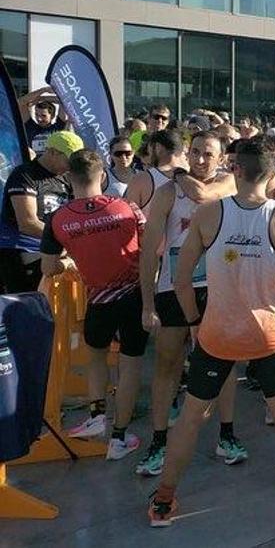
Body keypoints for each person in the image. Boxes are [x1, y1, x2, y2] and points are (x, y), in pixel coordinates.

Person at [148, 138, 275, 527]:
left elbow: (182, 277)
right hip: (269, 332)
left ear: (235, 170)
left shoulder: (208, 214)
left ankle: (163, 501)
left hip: (217, 332)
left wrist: (194, 321)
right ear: (271, 175)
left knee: (191, 417)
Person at [136, 131, 240, 477]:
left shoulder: (228, 184)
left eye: (207, 154)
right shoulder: (168, 192)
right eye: (194, 153)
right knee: (167, 364)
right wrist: (147, 302)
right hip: (173, 288)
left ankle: (227, 435)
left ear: (221, 158)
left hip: (217, 287)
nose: (199, 160)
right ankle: (159, 440)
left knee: (223, 363)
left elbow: (209, 193)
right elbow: (150, 248)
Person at [42, 150, 147, 459]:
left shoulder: (57, 219)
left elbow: (49, 268)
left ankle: (96, 414)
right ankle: (119, 438)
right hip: (135, 296)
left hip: (97, 299)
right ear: (103, 176)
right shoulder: (128, 208)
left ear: (69, 178)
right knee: (130, 366)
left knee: (95, 356)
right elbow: (152, 246)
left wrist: (70, 263)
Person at [1, 131, 81, 293]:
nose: (71, 166)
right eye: (69, 159)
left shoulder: (66, 178)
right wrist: (64, 240)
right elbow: (27, 223)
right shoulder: (24, 174)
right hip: (21, 249)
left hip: (53, 251)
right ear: (52, 152)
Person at [124, 129, 188, 210]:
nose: (149, 154)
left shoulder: (142, 179)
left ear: (158, 147)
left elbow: (129, 216)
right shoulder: (196, 176)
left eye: (149, 149)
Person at [20, 87, 71, 155]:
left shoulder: (59, 126)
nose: (39, 119)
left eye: (43, 116)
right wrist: (43, 90)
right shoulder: (30, 126)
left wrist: (43, 98)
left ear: (52, 116)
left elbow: (64, 101)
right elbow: (21, 102)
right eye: (37, 114)